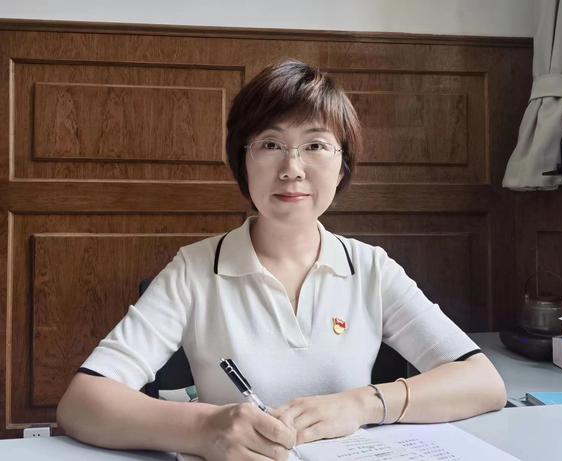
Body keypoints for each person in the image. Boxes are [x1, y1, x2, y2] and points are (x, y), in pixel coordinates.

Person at [57, 59, 507, 461]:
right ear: (244, 161)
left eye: (315, 146)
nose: (292, 168)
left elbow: (483, 382)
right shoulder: (194, 269)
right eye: (270, 145)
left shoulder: (370, 268)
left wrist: (362, 404)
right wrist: (205, 429)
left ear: (342, 165)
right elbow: (81, 403)